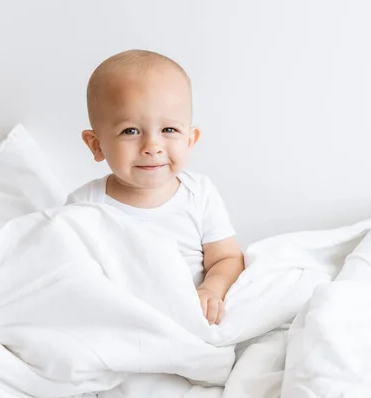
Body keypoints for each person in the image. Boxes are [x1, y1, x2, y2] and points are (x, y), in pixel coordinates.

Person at [66, 49, 244, 325]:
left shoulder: (199, 194)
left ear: (190, 139)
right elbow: (69, 274)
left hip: (188, 319)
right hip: (121, 322)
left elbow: (228, 258)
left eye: (169, 130)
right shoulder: (85, 205)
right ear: (96, 145)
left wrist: (211, 290)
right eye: (130, 131)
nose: (152, 147)